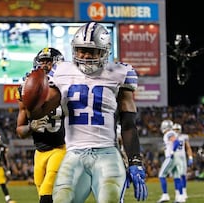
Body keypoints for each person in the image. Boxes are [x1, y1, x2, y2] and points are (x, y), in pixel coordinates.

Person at [24, 22, 148, 202]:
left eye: (92, 51)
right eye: (81, 50)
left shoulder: (120, 72)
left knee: (109, 199)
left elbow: (128, 124)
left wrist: (135, 161)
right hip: (74, 154)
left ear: (104, 51)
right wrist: (30, 100)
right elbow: (39, 112)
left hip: (106, 153)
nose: (85, 55)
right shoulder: (61, 71)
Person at [16, 47, 66, 203]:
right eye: (41, 62)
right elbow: (20, 131)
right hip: (39, 151)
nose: (44, 66)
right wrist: (32, 126)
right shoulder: (26, 91)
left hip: (60, 148)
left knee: (46, 191)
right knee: (43, 192)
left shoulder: (66, 88)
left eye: (48, 62)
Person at [157, 120, 185, 203]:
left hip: (171, 157)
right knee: (177, 177)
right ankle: (180, 197)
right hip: (177, 158)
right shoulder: (174, 133)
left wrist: (172, 151)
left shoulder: (169, 133)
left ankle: (165, 195)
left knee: (161, 175)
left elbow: (175, 142)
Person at [172, 123, 193, 200]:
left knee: (183, 175)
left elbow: (188, 148)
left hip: (182, 158)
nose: (176, 131)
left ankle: (184, 192)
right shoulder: (170, 137)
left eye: (177, 129)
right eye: (174, 130)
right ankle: (177, 193)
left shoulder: (184, 137)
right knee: (176, 176)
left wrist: (190, 157)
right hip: (174, 158)